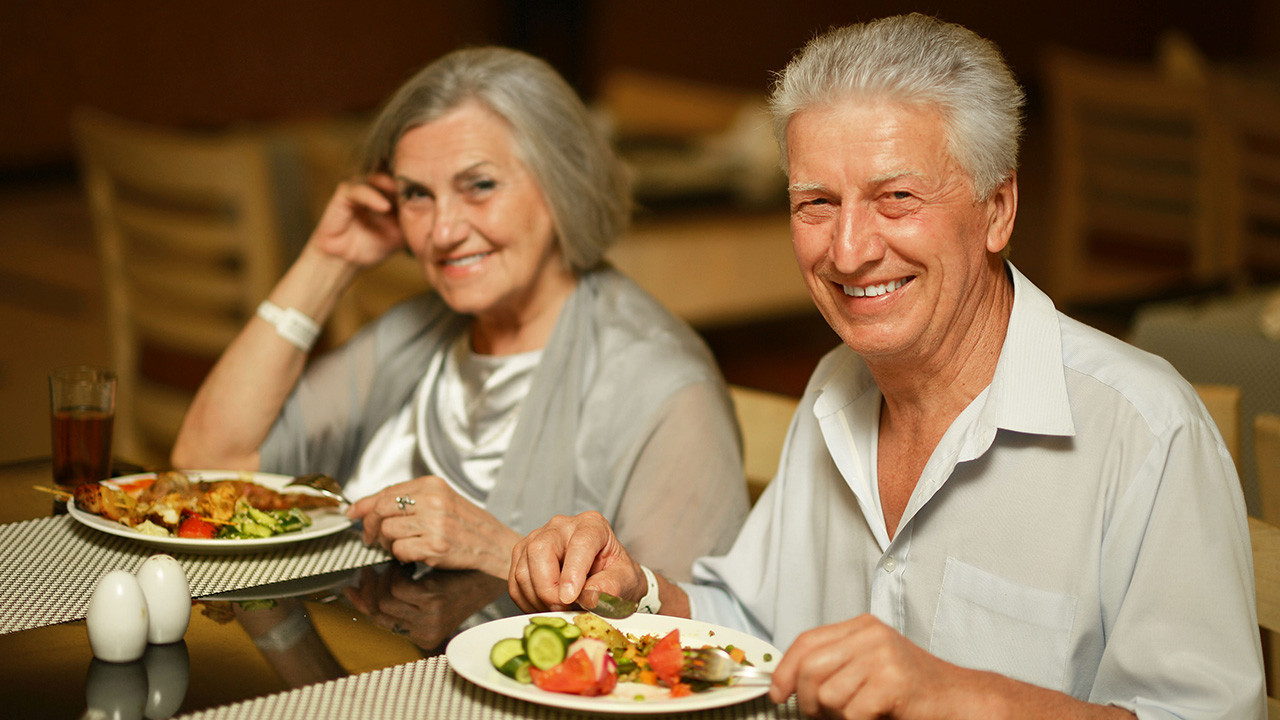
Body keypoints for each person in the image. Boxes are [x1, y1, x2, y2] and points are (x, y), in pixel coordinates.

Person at [509, 15, 1265, 719]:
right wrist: (633, 590)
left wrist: (959, 693)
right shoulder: (837, 387)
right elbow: (748, 626)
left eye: (895, 197)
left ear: (998, 209)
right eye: (816, 203)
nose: (847, 251)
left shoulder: (1144, 432)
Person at [170, 47, 748, 582]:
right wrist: (327, 262)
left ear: (560, 184)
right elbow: (210, 463)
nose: (442, 232)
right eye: (417, 194)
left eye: (479, 185)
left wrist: (500, 551)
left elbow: (682, 638)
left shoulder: (665, 388)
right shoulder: (417, 332)